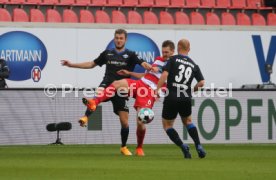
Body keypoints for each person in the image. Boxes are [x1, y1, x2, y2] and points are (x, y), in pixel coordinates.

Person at [61, 29, 152, 156]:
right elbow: (91, 64)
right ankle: (86, 117)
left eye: (121, 38)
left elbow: (142, 62)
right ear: (114, 39)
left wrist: (147, 65)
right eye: (117, 38)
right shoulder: (107, 53)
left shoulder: (131, 55)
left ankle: (124, 147)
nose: (119, 40)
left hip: (121, 90)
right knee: (98, 94)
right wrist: (72, 65)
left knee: (125, 122)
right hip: (107, 84)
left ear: (125, 40)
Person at [83, 40, 175, 156]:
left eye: (166, 52)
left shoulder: (174, 63)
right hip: (141, 83)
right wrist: (129, 72)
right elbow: (146, 75)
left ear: (173, 51)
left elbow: (167, 76)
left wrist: (159, 92)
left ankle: (139, 148)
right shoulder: (158, 59)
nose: (164, 54)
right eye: (163, 52)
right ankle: (94, 102)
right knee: (117, 83)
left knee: (141, 122)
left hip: (149, 92)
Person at [156, 39, 206, 159]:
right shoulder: (194, 64)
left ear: (178, 48)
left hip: (172, 96)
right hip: (185, 97)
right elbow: (202, 82)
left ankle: (183, 146)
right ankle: (198, 145)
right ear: (189, 49)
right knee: (188, 122)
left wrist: (157, 90)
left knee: (167, 125)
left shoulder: (172, 59)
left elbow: (164, 74)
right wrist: (191, 91)